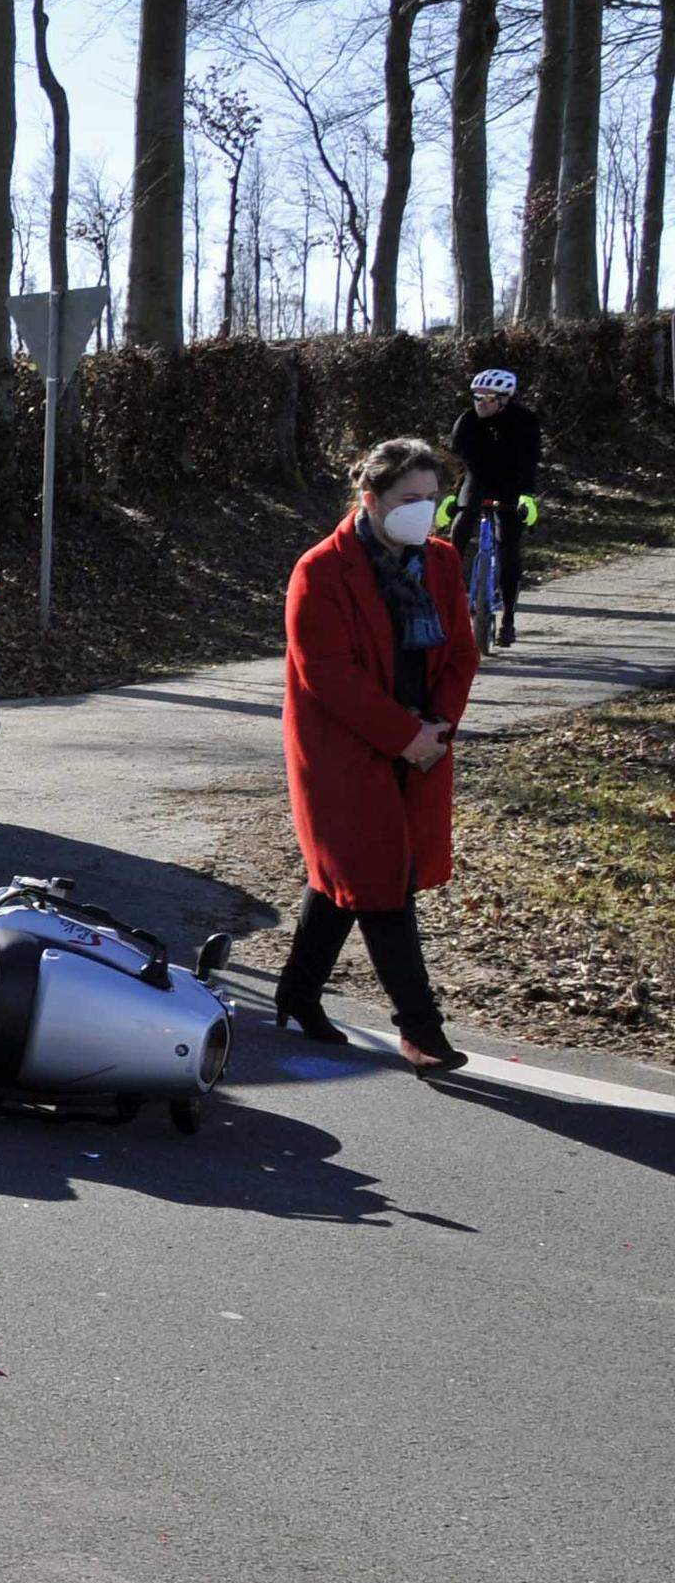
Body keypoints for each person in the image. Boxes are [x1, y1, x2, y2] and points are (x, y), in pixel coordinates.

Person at [278, 436, 479, 1073]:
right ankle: (420, 1030)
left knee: (348, 878)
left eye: (434, 500)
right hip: (344, 748)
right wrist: (405, 734)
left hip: (420, 743)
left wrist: (437, 728)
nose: (426, 512)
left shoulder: (442, 562)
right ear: (371, 499)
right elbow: (329, 674)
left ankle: (297, 992)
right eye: (410, 499)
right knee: (382, 883)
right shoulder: (321, 569)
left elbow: (461, 652)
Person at [443, 368, 542, 647]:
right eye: (477, 397)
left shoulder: (524, 421)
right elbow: (458, 464)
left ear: (505, 400)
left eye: (489, 399)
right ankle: (453, 595)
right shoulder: (467, 421)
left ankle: (508, 620)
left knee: (508, 545)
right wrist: (452, 497)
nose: (481, 403)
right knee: (459, 529)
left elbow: (530, 463)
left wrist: (528, 496)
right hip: (477, 481)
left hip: (512, 483)